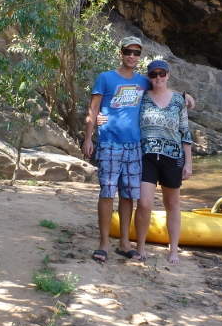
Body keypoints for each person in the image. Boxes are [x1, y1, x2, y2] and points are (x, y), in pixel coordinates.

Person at [82, 36, 148, 263]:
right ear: (121, 53)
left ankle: (124, 243)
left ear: (140, 56)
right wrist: (88, 138)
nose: (132, 55)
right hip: (109, 143)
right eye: (128, 51)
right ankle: (103, 243)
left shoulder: (143, 81)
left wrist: (185, 96)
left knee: (129, 195)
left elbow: (162, 88)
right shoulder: (105, 78)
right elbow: (93, 110)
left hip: (134, 146)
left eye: (136, 53)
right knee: (107, 191)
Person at [133, 59, 192, 264]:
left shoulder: (178, 101)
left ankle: (173, 250)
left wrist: (188, 163)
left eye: (162, 73)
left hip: (173, 158)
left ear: (168, 75)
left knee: (172, 204)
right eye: (153, 74)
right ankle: (140, 247)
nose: (158, 77)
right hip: (146, 156)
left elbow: (185, 132)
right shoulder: (142, 98)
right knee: (144, 204)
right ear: (149, 77)